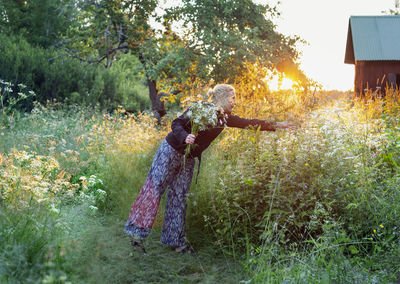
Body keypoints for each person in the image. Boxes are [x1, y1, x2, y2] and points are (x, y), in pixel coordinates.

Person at [124, 84, 295, 254]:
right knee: (154, 189)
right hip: (171, 151)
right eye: (232, 97)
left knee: (179, 197)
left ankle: (176, 241)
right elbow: (177, 123)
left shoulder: (224, 118)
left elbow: (249, 123)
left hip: (188, 159)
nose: (235, 102)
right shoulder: (201, 107)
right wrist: (186, 136)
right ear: (221, 97)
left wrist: (279, 125)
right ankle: (136, 236)